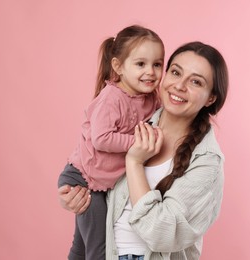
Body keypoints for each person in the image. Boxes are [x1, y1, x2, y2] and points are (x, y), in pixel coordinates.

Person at [59, 41, 229, 260]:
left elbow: (161, 234)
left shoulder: (207, 163)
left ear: (211, 98)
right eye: (175, 72)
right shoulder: (136, 122)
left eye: (196, 82)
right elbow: (93, 166)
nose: (179, 85)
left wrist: (134, 163)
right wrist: (74, 192)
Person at [57, 25, 164, 260]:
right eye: (140, 64)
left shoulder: (150, 98)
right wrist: (137, 142)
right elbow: (101, 138)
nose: (151, 72)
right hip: (84, 178)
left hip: (102, 180)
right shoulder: (112, 98)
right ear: (118, 66)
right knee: (99, 247)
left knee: (82, 245)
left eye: (157, 64)